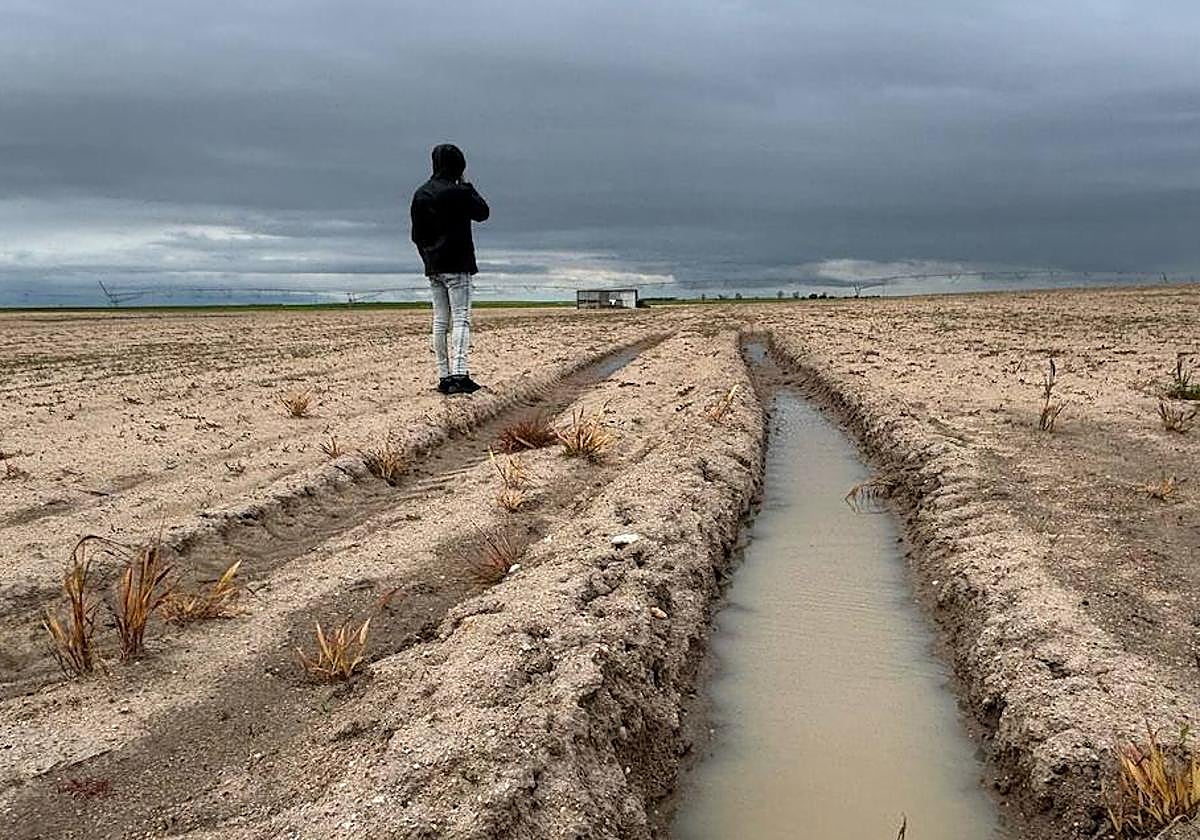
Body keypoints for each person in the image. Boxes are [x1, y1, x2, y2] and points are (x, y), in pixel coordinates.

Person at [410, 143, 490, 395]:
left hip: (434, 266)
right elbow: (483, 212)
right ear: (459, 165)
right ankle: (459, 373)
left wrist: (428, 258)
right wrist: (467, 185)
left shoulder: (421, 194)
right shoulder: (459, 192)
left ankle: (444, 375)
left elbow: (417, 235)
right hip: (458, 263)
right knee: (461, 319)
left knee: (440, 320)